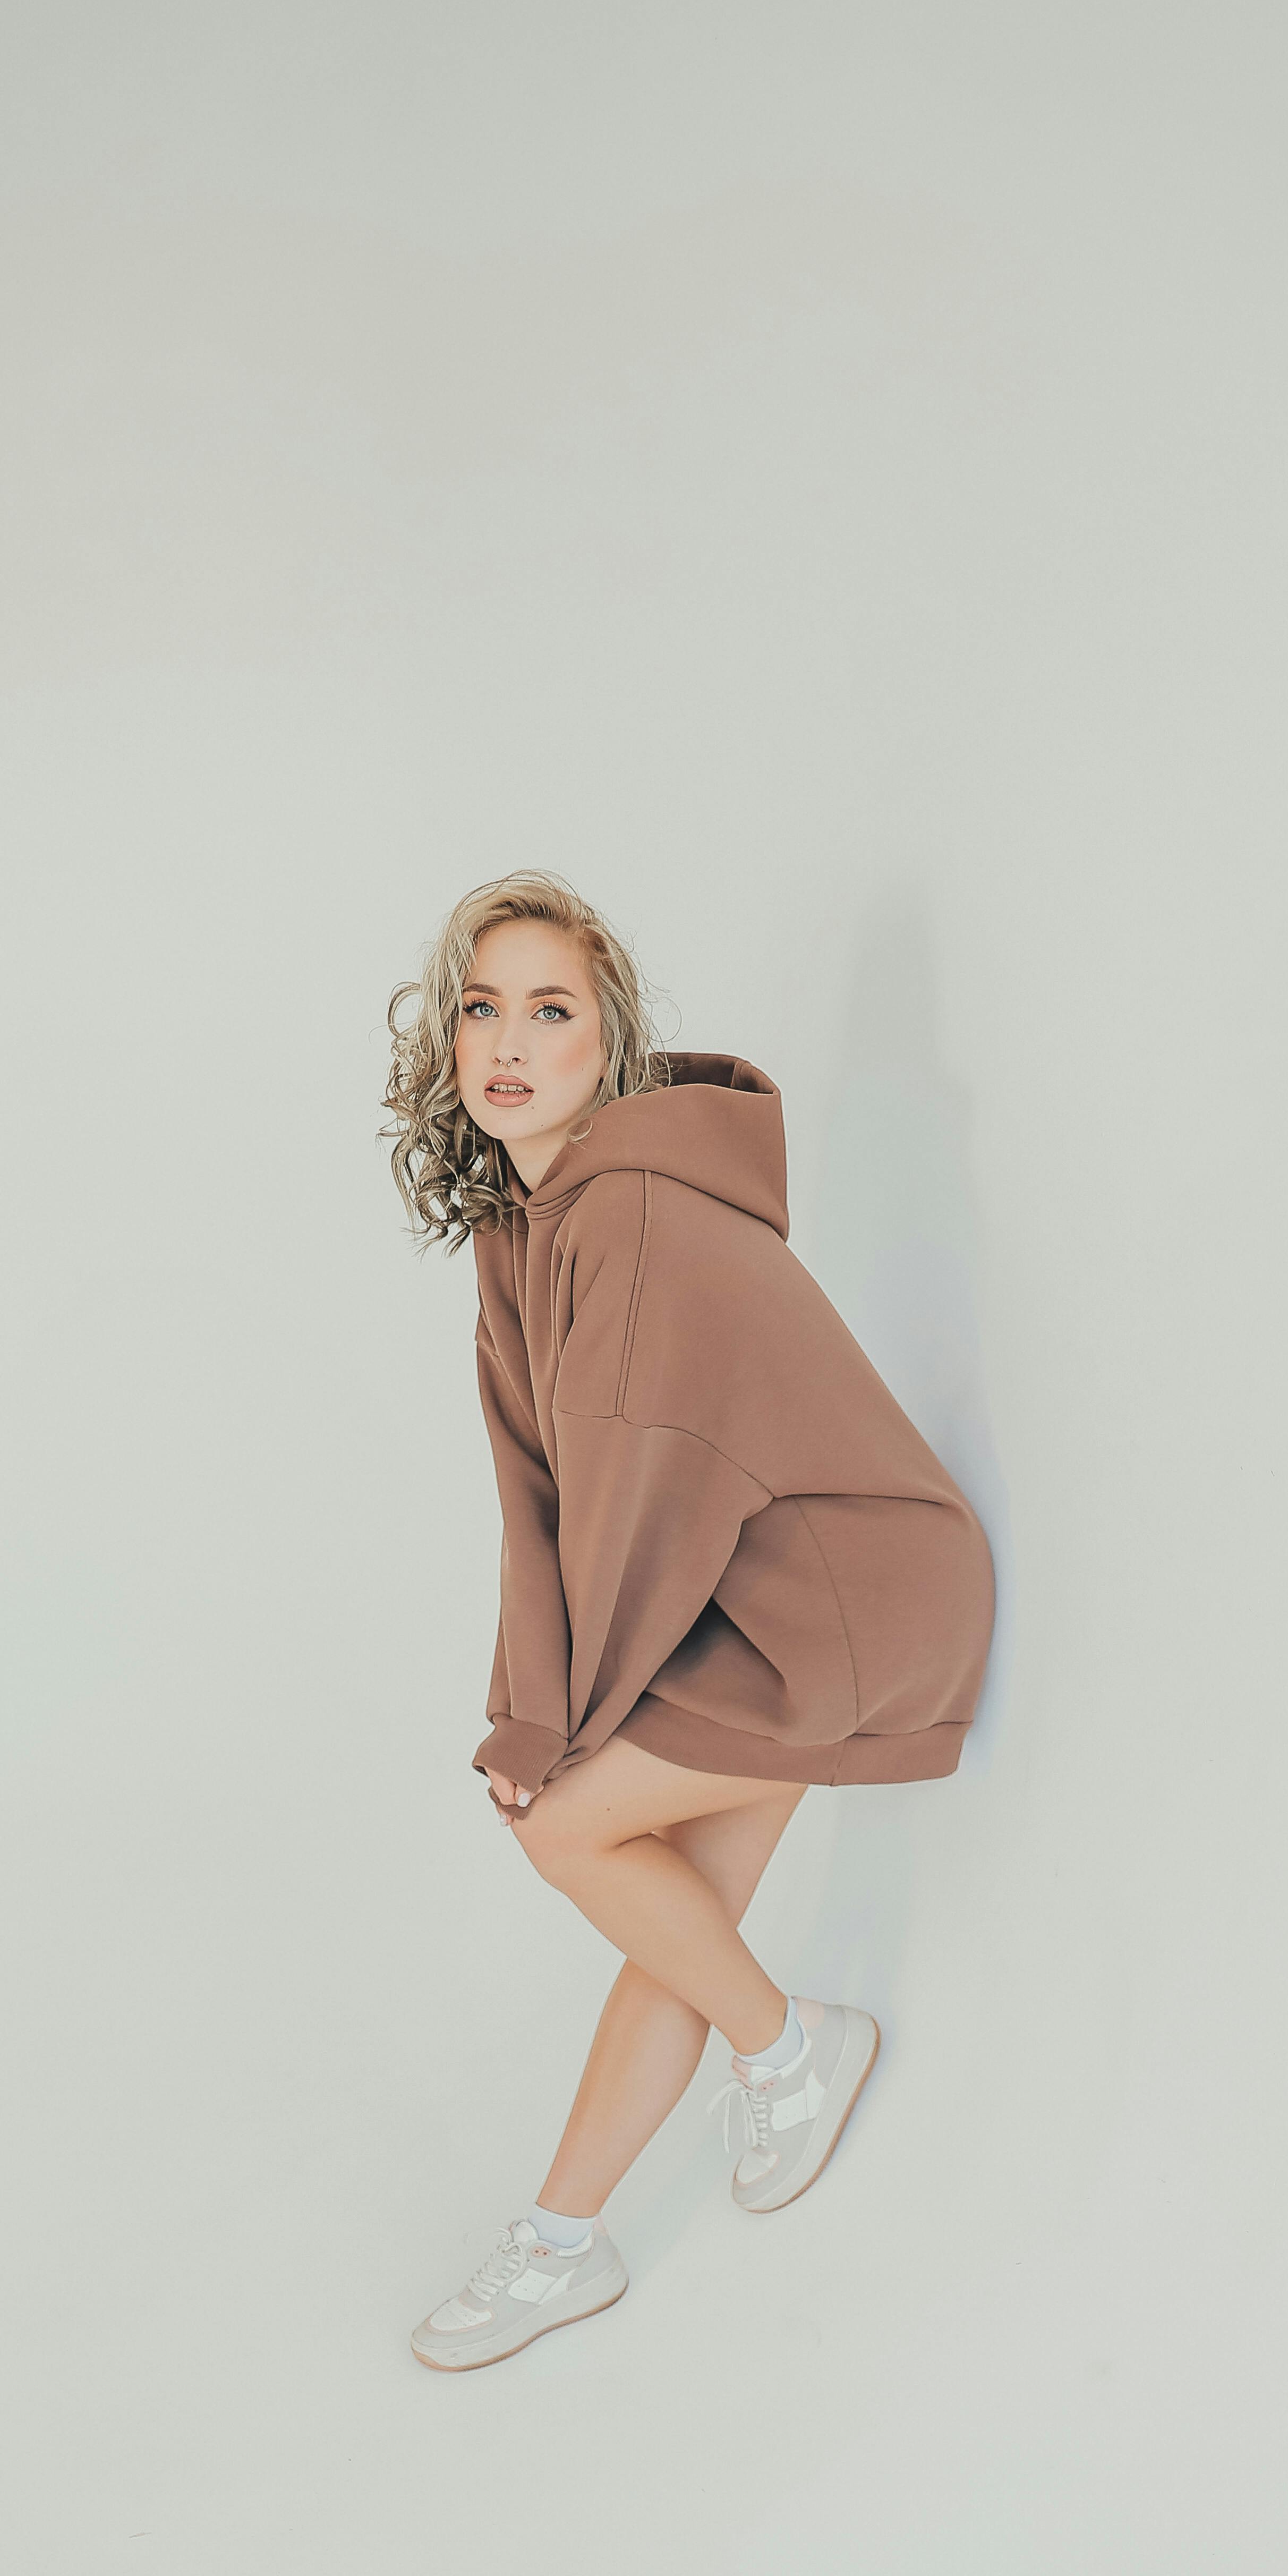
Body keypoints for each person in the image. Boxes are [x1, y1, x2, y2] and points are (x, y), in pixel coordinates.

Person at [382, 872, 995, 2372]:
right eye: (483, 1008)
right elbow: (541, 1507)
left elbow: (638, 1505)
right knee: (672, 1922)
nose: (509, 1041)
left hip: (848, 1592)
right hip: (758, 1591)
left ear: (611, 1048)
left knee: (568, 1829)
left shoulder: (630, 1217)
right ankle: (565, 2242)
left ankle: (790, 2048)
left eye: (552, 1010)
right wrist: (527, 1706)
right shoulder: (525, 1235)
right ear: (446, 1046)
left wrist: (552, 1735)